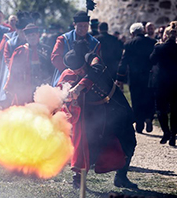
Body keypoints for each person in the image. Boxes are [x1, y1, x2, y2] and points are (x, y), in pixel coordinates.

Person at [58, 40, 137, 189]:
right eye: (75, 71)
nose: (79, 73)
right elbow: (62, 93)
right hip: (93, 114)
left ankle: (121, 177)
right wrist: (68, 98)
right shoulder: (69, 75)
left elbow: (96, 69)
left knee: (129, 142)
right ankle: (78, 181)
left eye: (81, 69)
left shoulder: (92, 58)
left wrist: (79, 87)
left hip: (115, 107)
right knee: (88, 147)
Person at [116, 23, 156, 133]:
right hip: (149, 75)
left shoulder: (129, 44)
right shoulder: (152, 43)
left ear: (132, 33)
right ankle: (149, 117)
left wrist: (119, 77)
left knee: (136, 99)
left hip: (135, 77)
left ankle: (139, 124)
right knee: (149, 98)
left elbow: (123, 62)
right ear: (143, 31)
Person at [4, 24, 53, 105]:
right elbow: (13, 70)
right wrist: (11, 86)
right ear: (26, 37)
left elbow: (52, 69)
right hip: (25, 87)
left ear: (38, 35)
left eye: (33, 35)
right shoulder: (19, 51)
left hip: (43, 86)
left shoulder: (47, 50)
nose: (32, 38)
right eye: (29, 36)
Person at [51, 11, 101, 86]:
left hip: (87, 78)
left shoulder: (95, 43)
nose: (83, 29)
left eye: (85, 26)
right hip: (66, 77)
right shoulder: (63, 39)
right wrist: (71, 72)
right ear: (74, 25)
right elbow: (55, 57)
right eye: (80, 26)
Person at [150, 21, 177, 146]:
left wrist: (159, 45)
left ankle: (166, 131)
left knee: (161, 109)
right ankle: (173, 135)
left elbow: (152, 60)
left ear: (165, 35)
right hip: (175, 82)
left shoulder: (159, 47)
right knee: (175, 110)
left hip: (161, 82)